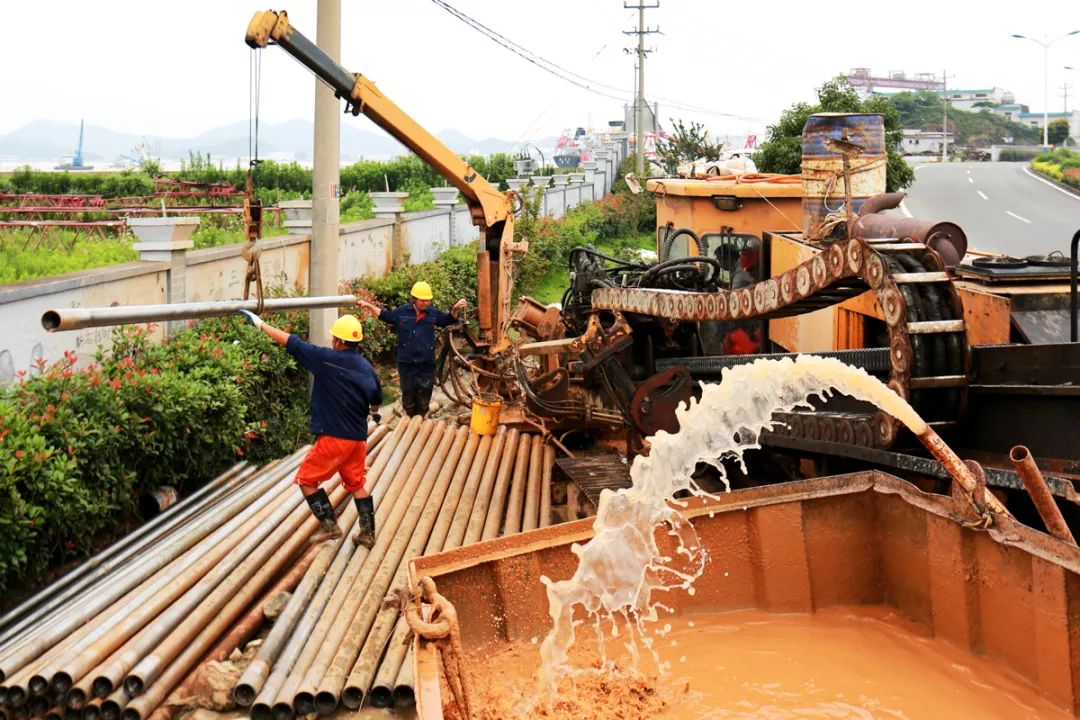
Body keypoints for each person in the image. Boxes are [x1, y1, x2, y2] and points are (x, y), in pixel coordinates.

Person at [238, 309, 382, 548]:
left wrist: (260, 324)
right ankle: (367, 533)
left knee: (306, 480)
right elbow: (375, 401)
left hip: (334, 438)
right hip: (358, 439)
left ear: (339, 341)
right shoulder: (368, 369)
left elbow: (290, 342)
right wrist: (374, 416)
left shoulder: (326, 359)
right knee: (356, 484)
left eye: (334, 338)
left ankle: (329, 525)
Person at [357, 281, 466, 418]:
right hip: (406, 362)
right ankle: (410, 418)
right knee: (408, 393)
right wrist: (368, 305)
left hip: (426, 363)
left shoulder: (432, 313)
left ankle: (421, 418)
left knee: (425, 393)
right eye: (423, 300)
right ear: (414, 299)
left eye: (428, 300)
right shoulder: (402, 312)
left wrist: (455, 309)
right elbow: (385, 315)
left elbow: (447, 320)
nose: (426, 303)